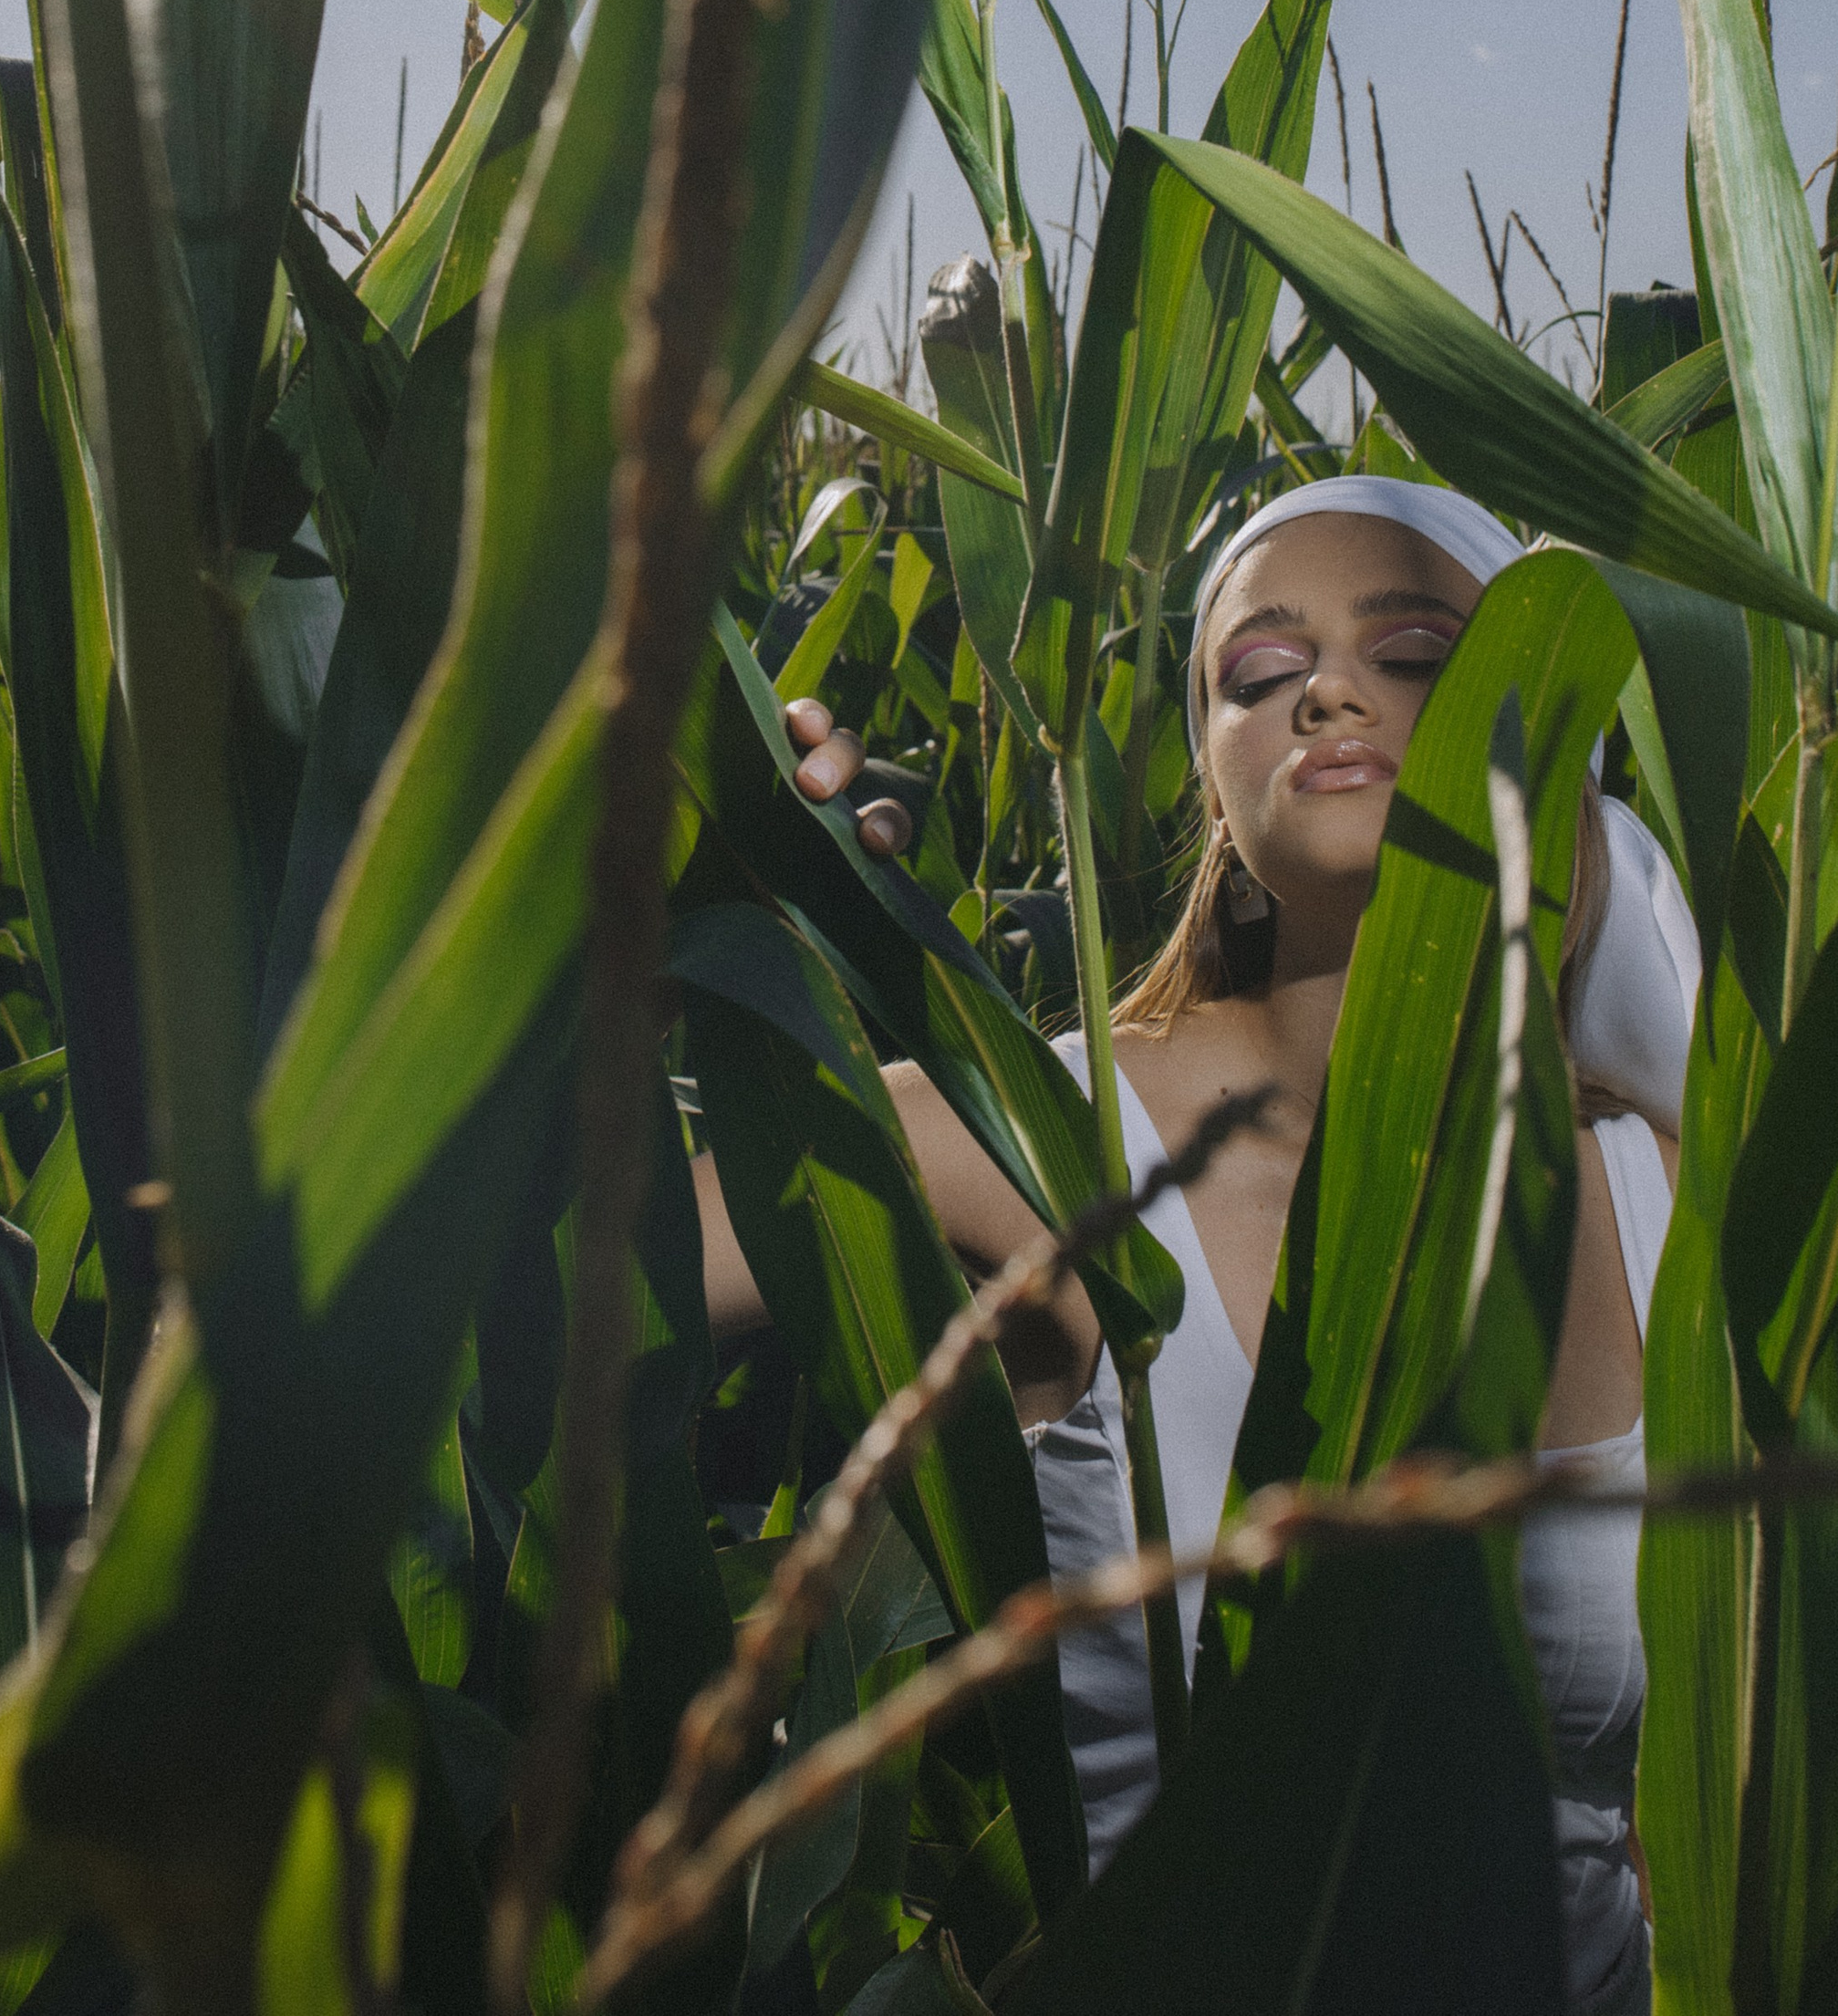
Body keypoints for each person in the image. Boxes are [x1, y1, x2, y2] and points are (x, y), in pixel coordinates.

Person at [694, 478, 1698, 2016]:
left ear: (1548, 737)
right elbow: (535, 1272)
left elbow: (1691, 1814)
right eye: (1260, 670)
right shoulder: (1042, 1141)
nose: (1332, 691)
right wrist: (738, 930)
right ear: (1215, 789)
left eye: (1420, 648)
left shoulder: (1660, 1195)